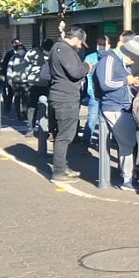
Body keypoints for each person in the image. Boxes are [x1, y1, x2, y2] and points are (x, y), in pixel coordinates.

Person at [95, 36, 139, 191]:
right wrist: (127, 81)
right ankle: (127, 179)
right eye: (132, 58)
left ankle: (127, 176)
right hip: (114, 107)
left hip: (123, 106)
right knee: (127, 144)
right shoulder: (109, 60)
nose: (132, 62)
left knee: (127, 143)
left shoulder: (119, 61)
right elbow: (105, 83)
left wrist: (132, 84)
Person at [48, 27, 91, 182]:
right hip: (65, 97)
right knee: (65, 136)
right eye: (80, 43)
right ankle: (59, 171)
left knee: (64, 134)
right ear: (76, 38)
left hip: (61, 95)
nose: (80, 47)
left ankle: (62, 166)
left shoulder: (57, 48)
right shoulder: (65, 50)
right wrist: (86, 66)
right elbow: (75, 72)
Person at [83, 36, 109, 149]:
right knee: (93, 118)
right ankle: (86, 142)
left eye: (103, 44)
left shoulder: (110, 57)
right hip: (94, 92)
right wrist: (90, 91)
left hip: (106, 93)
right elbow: (87, 77)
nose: (101, 46)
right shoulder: (90, 58)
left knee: (106, 119)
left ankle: (105, 142)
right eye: (100, 44)